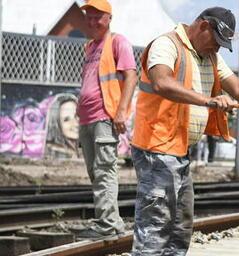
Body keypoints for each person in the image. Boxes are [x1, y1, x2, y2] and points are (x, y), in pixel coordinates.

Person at [129, 7, 239, 255]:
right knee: (156, 226)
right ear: (203, 26)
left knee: (180, 227)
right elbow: (162, 81)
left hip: (178, 151)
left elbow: (238, 88)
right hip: (156, 149)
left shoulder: (209, 56)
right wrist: (206, 100)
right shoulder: (166, 45)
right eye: (216, 41)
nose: (218, 48)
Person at [75, 0, 138, 240]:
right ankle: (110, 221)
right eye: (89, 17)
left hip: (105, 115)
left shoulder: (117, 42)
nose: (92, 21)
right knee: (95, 172)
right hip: (87, 119)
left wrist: (122, 111)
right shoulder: (90, 47)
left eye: (97, 17)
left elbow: (131, 76)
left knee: (104, 170)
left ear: (109, 18)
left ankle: (108, 223)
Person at [45, 93, 80, 159]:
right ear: (56, 124)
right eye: (66, 119)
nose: (75, 123)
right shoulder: (53, 150)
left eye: (77, 116)